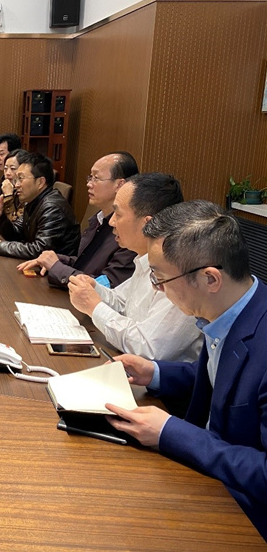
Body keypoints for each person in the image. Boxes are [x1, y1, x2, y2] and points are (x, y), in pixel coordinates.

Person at [105, 200, 266, 540]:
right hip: (202, 476)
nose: (157, 288)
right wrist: (154, 372)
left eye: (161, 277)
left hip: (243, 517)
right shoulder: (230, 310)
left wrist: (170, 432)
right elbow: (222, 380)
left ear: (210, 279)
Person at [68, 173, 202, 362]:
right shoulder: (143, 259)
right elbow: (124, 304)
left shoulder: (179, 271)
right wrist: (93, 288)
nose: (111, 222)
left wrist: (94, 306)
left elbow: (148, 347)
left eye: (118, 214)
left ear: (148, 224)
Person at [17, 152, 138, 289]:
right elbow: (85, 264)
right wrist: (56, 259)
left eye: (96, 178)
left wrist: (57, 267)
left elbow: (107, 286)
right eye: (90, 177)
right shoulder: (98, 219)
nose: (89, 184)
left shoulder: (130, 233)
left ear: (120, 184)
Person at [0, 152, 80, 259]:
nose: (16, 185)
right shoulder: (33, 200)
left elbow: (40, 250)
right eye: (16, 179)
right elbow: (17, 234)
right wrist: (0, 216)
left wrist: (1, 247)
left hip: (54, 268)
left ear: (40, 182)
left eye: (21, 178)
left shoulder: (52, 208)